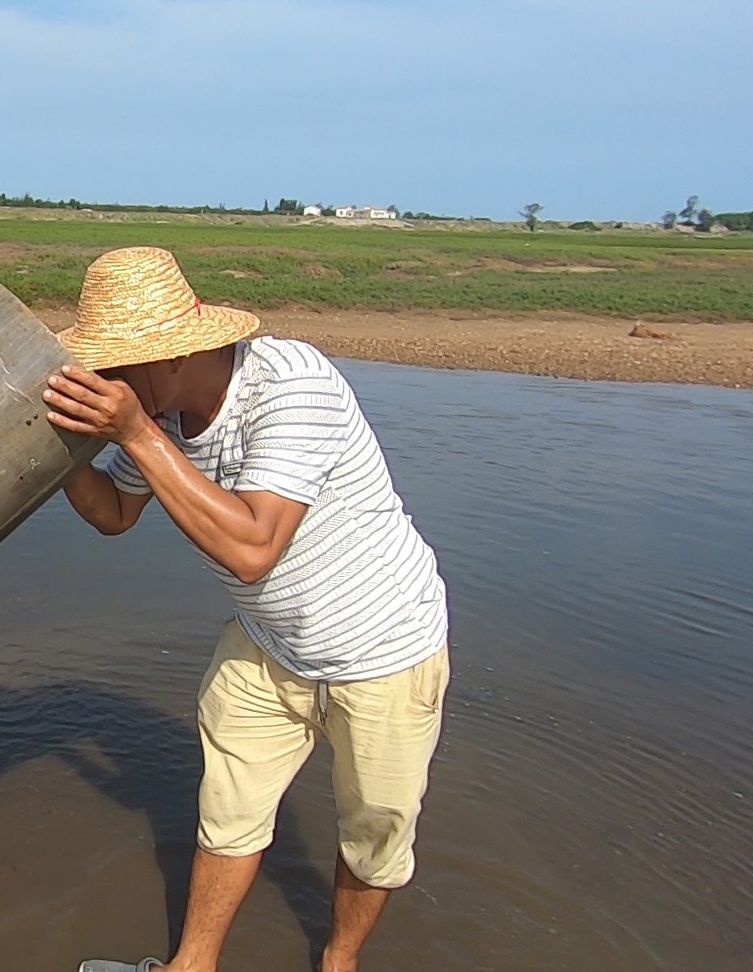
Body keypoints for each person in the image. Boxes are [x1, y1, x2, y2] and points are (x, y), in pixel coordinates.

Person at [45, 247, 450, 972]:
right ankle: (191, 967)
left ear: (170, 357)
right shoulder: (159, 413)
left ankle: (338, 962)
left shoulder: (291, 386)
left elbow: (253, 549)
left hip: (383, 647)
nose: (103, 381)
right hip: (269, 643)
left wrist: (132, 430)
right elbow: (112, 515)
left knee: (375, 830)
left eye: (115, 366)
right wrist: (60, 449)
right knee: (226, 813)